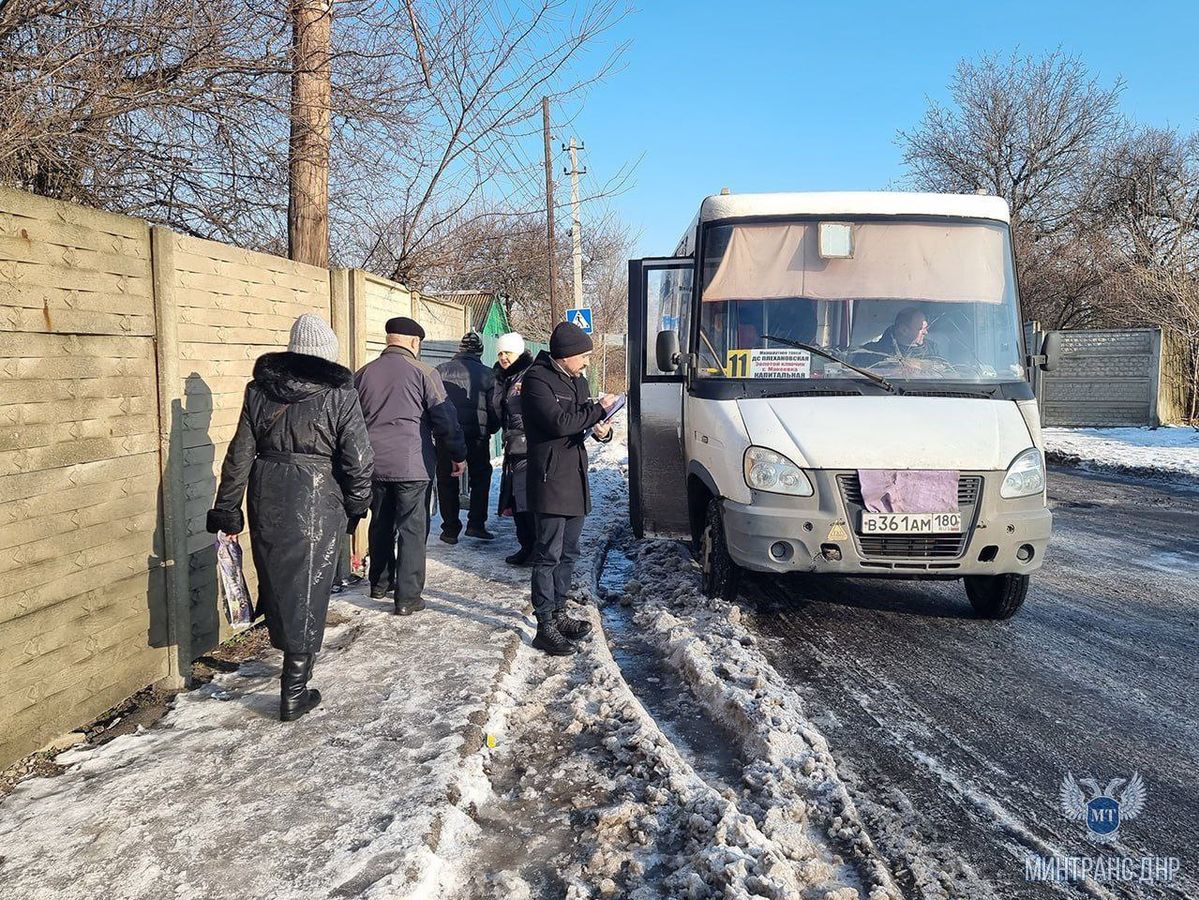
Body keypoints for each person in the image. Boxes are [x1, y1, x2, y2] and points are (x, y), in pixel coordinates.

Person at [206, 314, 373, 722]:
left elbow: (239, 454)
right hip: (318, 494)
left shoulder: (258, 390)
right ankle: (294, 692)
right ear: (326, 355)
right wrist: (358, 503)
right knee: (310, 587)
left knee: (280, 578)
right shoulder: (339, 394)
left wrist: (229, 506)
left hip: (266, 492)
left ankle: (295, 672)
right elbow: (359, 459)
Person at [355, 317, 466, 615]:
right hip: (412, 464)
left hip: (373, 464)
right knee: (412, 530)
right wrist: (458, 454)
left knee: (379, 522)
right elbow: (445, 419)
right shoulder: (424, 372)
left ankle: (379, 583)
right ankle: (407, 598)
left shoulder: (363, 374)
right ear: (415, 342)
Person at [523, 321, 620, 656]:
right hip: (549, 478)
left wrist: (601, 429)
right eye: (584, 356)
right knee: (547, 553)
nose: (587, 363)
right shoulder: (536, 379)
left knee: (569, 551)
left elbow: (581, 421)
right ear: (565, 355)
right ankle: (544, 623)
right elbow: (559, 423)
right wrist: (597, 410)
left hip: (575, 476)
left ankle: (560, 612)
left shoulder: (576, 380)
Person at [435, 332, 500, 543]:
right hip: (477, 438)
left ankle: (450, 529)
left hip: (446, 437)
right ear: (480, 352)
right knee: (481, 477)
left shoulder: (440, 371)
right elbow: (494, 408)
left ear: (459, 350)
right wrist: (490, 429)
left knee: (447, 480)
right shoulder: (488, 375)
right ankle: (476, 524)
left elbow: (432, 403)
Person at [493, 332, 535, 565]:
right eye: (500, 353)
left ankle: (534, 548)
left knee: (525, 500)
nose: (503, 357)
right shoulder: (505, 377)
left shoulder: (527, 376)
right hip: (513, 446)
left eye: (507, 352)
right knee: (516, 501)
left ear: (518, 353)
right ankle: (526, 546)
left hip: (527, 446)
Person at [860, 306, 940, 360]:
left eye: (926, 328)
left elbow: (946, 372)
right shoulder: (871, 353)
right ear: (904, 330)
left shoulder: (932, 349)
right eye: (921, 329)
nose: (926, 333)